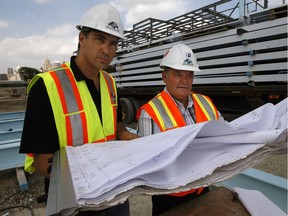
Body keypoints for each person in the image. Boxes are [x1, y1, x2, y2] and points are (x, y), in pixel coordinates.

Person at [19, 3, 138, 216]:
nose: (106, 50)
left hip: (114, 194)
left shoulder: (110, 83)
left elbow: (116, 125)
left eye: (113, 43)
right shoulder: (47, 86)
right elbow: (41, 161)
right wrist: (92, 176)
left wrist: (128, 136)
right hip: (73, 203)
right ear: (82, 39)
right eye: (99, 40)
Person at [137, 43, 224, 215]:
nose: (184, 81)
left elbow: (224, 134)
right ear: (164, 76)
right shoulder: (150, 112)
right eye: (178, 75)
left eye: (189, 75)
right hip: (169, 198)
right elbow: (147, 164)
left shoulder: (205, 102)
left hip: (202, 189)